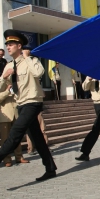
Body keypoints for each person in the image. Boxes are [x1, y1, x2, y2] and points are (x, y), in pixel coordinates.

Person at [0, 29, 56, 181]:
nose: (8, 47)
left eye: (11, 44)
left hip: (33, 103)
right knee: (37, 139)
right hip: (21, 104)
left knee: (15, 133)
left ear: (19, 46)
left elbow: (39, 73)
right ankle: (50, 168)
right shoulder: (8, 65)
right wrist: (4, 77)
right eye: (7, 45)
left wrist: (28, 58)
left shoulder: (31, 60)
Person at [0, 83, 29, 167]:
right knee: (5, 139)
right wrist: (6, 91)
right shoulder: (1, 84)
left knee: (17, 137)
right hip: (5, 116)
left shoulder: (14, 83)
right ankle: (6, 159)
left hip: (16, 114)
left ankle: (19, 157)